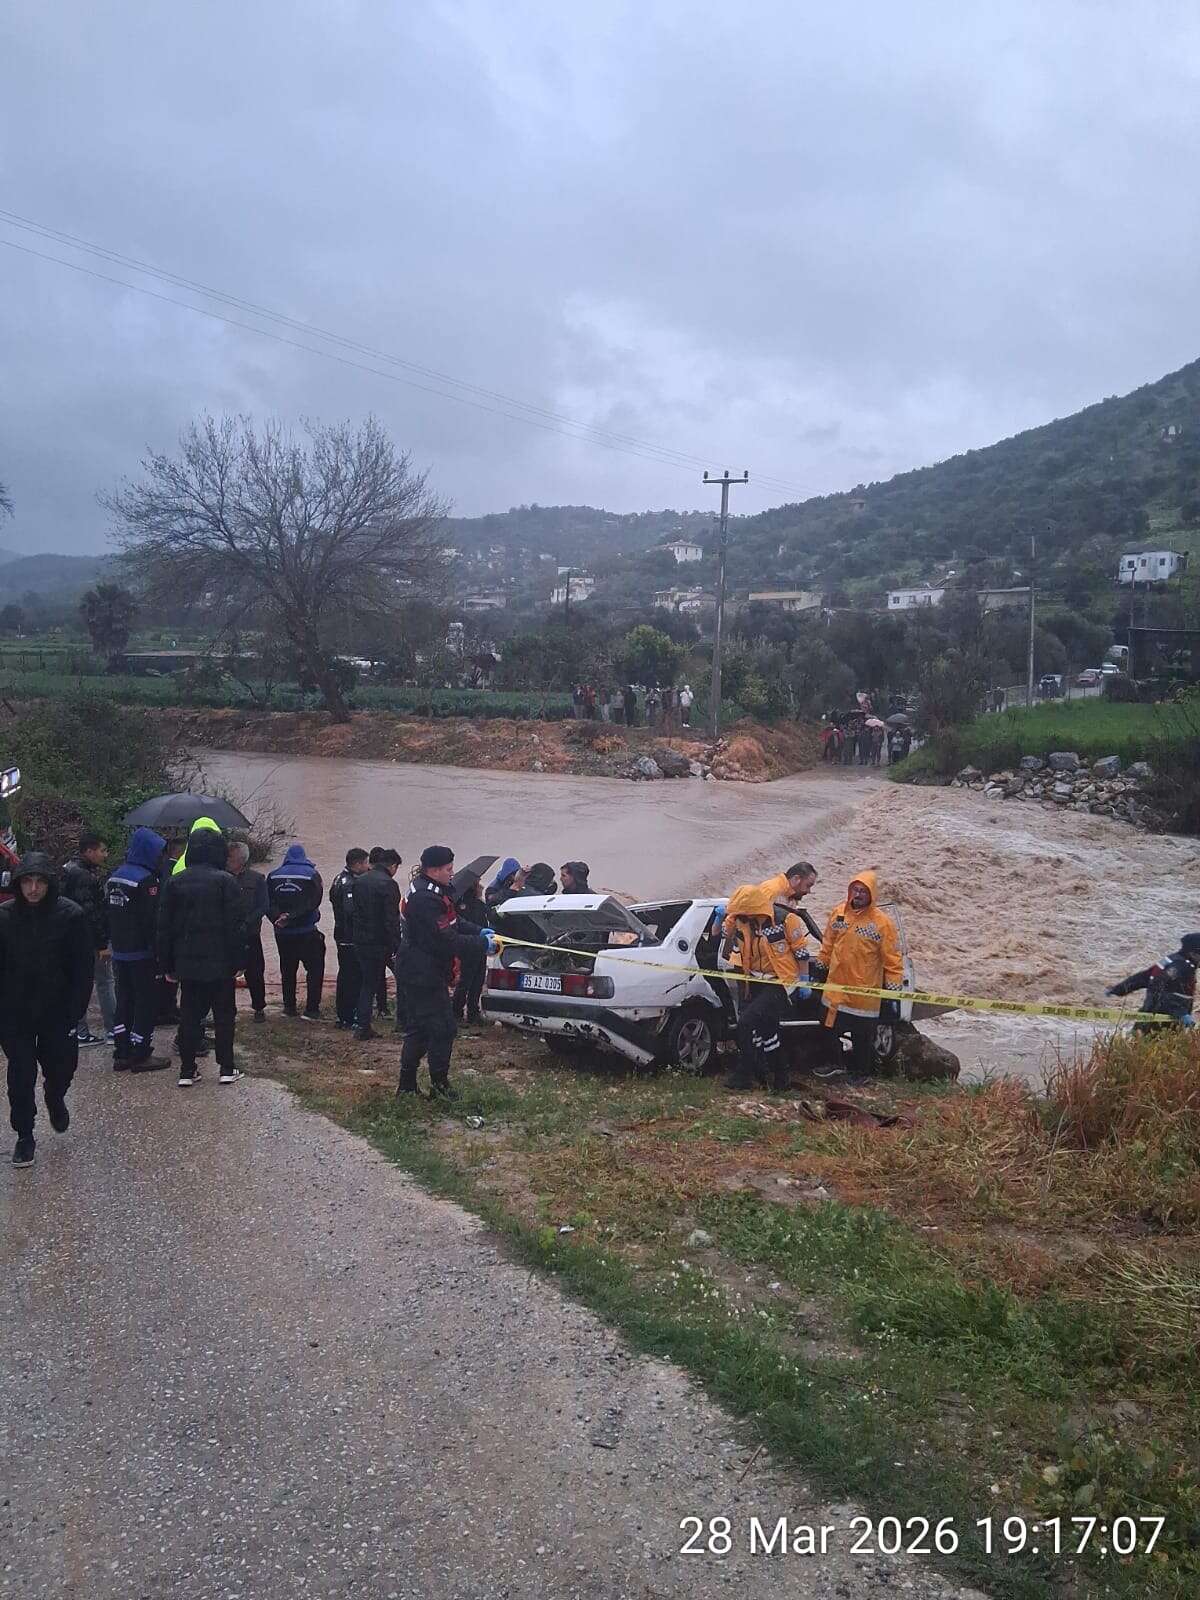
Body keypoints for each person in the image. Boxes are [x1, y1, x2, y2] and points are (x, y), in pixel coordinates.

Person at [0, 853, 95, 1167]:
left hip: (58, 1010)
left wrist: (75, 1010)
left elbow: (83, 968)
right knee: (20, 1075)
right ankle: (25, 1135)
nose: (33, 889)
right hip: (16, 1013)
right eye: (27, 881)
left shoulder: (71, 916)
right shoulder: (5, 917)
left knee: (62, 1067)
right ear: (18, 884)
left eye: (40, 881)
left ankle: (55, 1096)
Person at [395, 846, 490, 1100]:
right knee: (443, 1028)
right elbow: (444, 939)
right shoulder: (425, 898)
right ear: (434, 870)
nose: (452, 873)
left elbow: (453, 921)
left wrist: (478, 931)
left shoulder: (433, 890)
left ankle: (406, 1086)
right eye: (448, 869)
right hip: (420, 969)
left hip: (423, 966)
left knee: (419, 1027)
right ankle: (439, 1086)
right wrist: (483, 945)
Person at [158, 823, 247, 1086]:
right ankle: (226, 1068)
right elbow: (236, 927)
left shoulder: (175, 881)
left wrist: (167, 965)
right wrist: (239, 962)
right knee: (223, 1016)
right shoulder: (226, 881)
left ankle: (187, 1070)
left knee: (189, 1015)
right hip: (220, 964)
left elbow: (164, 928)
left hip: (187, 963)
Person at [719, 883, 811, 1093]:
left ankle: (744, 1074)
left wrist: (804, 981)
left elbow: (801, 952)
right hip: (753, 981)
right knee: (768, 1031)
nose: (740, 915)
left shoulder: (785, 919)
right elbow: (723, 934)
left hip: (779, 982)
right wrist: (722, 919)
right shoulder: (742, 921)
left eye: (743, 911)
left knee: (746, 1023)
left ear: (754, 908)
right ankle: (780, 1077)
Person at [815, 870, 904, 1077]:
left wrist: (892, 993)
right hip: (835, 988)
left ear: (872, 894)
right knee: (827, 1028)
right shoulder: (838, 913)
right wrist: (821, 966)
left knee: (862, 1037)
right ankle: (835, 1063)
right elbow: (828, 944)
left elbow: (893, 960)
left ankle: (862, 1073)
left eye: (864, 891)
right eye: (855, 889)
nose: (859, 894)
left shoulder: (883, 924)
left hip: (863, 994)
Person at [106, 826, 171, 1072]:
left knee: (124, 999)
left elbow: (108, 915)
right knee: (145, 1002)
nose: (160, 857)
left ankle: (121, 1051)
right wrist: (159, 953)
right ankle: (140, 1052)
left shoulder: (115, 877)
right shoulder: (146, 881)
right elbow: (151, 921)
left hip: (120, 951)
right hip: (141, 953)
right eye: (158, 852)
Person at [61, 830, 115, 1046]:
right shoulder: (84, 876)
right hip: (89, 940)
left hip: (72, 938)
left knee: (78, 983)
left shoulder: (68, 869)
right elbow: (90, 912)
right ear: (89, 851)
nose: (105, 855)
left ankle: (80, 1030)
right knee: (105, 982)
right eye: (102, 850)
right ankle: (114, 1029)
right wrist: (102, 943)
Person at [267, 842, 325, 1019]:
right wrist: (292, 916)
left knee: (287, 970)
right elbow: (314, 901)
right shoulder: (312, 875)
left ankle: (289, 1008)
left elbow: (266, 902)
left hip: (283, 934)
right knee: (315, 969)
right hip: (306, 931)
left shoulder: (273, 875)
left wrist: (279, 918)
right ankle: (312, 1009)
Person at [353, 847, 402, 1040]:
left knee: (367, 983)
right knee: (403, 978)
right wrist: (397, 946)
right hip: (381, 941)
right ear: (392, 865)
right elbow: (391, 919)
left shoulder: (360, 880)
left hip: (361, 940)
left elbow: (354, 912)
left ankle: (362, 1025)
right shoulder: (389, 884)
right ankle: (402, 1022)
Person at [1106, 934, 1200, 1031]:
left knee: (1136, 1043)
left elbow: (1145, 977)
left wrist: (1118, 989)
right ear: (1193, 953)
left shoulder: (1172, 959)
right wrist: (1181, 1013)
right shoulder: (1182, 967)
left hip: (1148, 1015)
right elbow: (1160, 991)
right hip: (1161, 1024)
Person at [227, 840, 269, 1020]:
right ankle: (228, 1008)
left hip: (250, 934)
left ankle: (259, 1007)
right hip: (228, 934)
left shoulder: (257, 879)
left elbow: (264, 905)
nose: (227, 859)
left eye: (230, 856)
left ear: (241, 859)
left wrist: (249, 921)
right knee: (227, 973)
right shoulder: (221, 877)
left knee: (255, 973)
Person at [329, 847, 370, 1029]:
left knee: (346, 975)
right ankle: (349, 1015)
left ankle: (344, 1014)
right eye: (366, 863)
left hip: (343, 935)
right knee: (353, 977)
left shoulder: (339, 879)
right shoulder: (349, 884)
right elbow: (350, 912)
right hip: (350, 937)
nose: (368, 867)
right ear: (358, 864)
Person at [452, 878, 489, 1025]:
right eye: (478, 883)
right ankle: (457, 1012)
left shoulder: (477, 904)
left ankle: (472, 1012)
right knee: (466, 981)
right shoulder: (463, 905)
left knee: (477, 980)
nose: (482, 885)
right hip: (469, 947)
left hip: (479, 946)